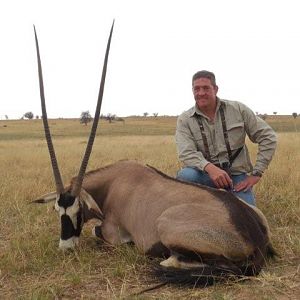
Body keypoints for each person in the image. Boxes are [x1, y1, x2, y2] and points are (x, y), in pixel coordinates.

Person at [175, 70, 277, 205]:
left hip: (236, 177)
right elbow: (186, 153)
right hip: (205, 175)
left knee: (248, 215)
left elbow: (268, 137)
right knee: (185, 176)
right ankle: (201, 201)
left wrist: (256, 173)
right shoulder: (185, 119)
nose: (200, 93)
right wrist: (210, 169)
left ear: (215, 89)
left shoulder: (238, 109)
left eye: (206, 88)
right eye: (196, 89)